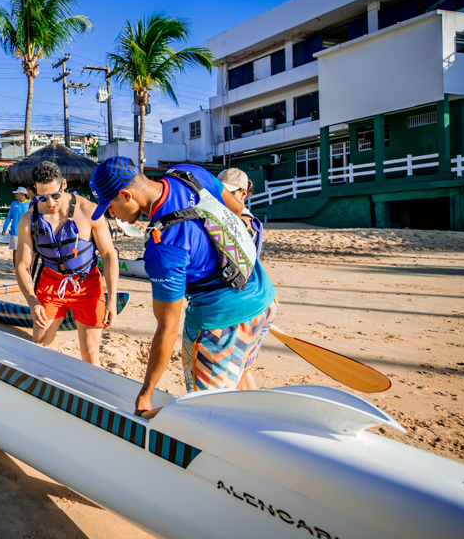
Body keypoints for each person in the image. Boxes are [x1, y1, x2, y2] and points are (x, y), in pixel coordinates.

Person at [89, 157, 276, 415]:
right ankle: (257, 420)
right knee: (239, 370)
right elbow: (238, 209)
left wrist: (146, 392)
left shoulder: (163, 248)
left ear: (126, 195)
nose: (111, 214)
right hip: (263, 299)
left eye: (110, 206)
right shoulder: (187, 173)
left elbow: (168, 328)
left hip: (221, 322)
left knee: (206, 413)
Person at [14, 161, 118, 366]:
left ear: (64, 184)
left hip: (87, 284)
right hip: (51, 284)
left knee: (90, 353)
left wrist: (112, 300)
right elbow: (22, 266)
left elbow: (108, 255)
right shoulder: (28, 219)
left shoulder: (89, 211)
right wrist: (32, 301)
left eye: (55, 195)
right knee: (39, 347)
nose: (50, 202)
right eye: (43, 197)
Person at [2, 187, 30, 272]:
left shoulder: (29, 204)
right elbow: (9, 216)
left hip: (26, 232)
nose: (15, 195)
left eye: (17, 193)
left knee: (25, 250)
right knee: (16, 250)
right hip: (15, 230)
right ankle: (16, 267)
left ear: (22, 194)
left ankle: (25, 267)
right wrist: (5, 228)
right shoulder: (14, 204)